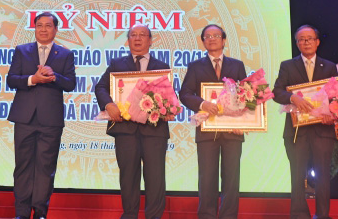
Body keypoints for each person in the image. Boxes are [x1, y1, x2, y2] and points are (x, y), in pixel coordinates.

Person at [94, 24, 171, 219]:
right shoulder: (117, 65)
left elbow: (169, 97)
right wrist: (109, 105)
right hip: (125, 130)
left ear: (150, 40)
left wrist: (170, 108)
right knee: (128, 176)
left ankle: (154, 216)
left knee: (155, 178)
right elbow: (101, 87)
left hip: (154, 130)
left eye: (142, 35)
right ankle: (129, 215)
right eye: (133, 35)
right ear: (128, 41)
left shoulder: (161, 66)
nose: (137, 38)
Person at [6, 12, 76, 219]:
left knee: (46, 168)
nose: (43, 29)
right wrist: (33, 79)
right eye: (39, 25)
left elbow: (71, 84)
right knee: (23, 166)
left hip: (50, 120)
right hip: (24, 117)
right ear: (34, 28)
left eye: (48, 26)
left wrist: (54, 76)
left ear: (56, 29)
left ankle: (40, 212)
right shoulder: (22, 51)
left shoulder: (65, 54)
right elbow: (12, 79)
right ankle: (21, 212)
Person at [179, 24, 247, 219]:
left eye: (216, 35)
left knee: (231, 179)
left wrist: (242, 124)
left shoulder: (237, 65)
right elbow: (184, 93)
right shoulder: (195, 66)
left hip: (233, 132)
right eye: (207, 36)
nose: (212, 39)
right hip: (206, 131)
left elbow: (246, 96)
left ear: (224, 40)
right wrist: (202, 103)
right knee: (207, 179)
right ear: (203, 41)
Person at [272, 24, 338, 219]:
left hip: (322, 130)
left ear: (317, 42)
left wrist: (332, 113)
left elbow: (336, 97)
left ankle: (323, 215)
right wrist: (292, 97)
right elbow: (277, 92)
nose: (306, 42)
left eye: (309, 38)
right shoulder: (287, 65)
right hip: (296, 130)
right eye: (301, 39)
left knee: (323, 176)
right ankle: (299, 215)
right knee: (297, 175)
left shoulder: (329, 66)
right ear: (297, 43)